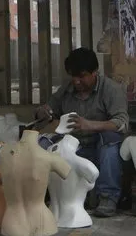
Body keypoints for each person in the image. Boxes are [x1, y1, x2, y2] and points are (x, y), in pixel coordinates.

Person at [34, 47, 129, 218]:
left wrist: (89, 125)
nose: (77, 81)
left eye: (82, 76)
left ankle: (108, 197)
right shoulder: (67, 89)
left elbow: (121, 123)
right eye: (73, 76)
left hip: (99, 146)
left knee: (111, 141)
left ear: (95, 72)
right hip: (75, 147)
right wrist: (43, 111)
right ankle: (45, 196)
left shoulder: (111, 90)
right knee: (43, 143)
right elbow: (49, 109)